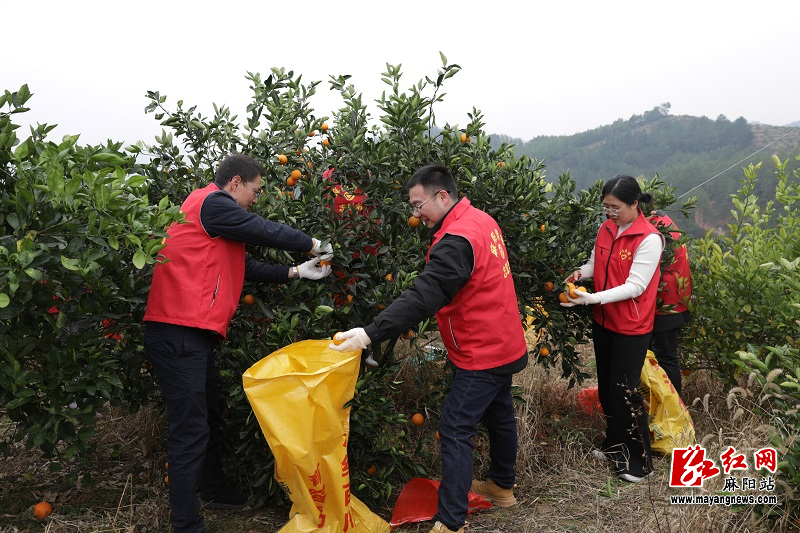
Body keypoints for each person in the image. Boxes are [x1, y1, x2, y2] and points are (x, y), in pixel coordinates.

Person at [330, 164, 528, 533]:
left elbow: (425, 294)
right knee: (500, 413)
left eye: (418, 205)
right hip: (503, 340)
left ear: (443, 196)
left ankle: (451, 521)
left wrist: (371, 333)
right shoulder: (479, 219)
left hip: (482, 349)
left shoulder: (457, 239)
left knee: (455, 427)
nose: (415, 213)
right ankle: (502, 487)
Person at [142, 153, 333, 533]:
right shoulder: (212, 203)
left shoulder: (213, 219)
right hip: (178, 331)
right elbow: (261, 229)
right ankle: (186, 525)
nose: (256, 199)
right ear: (235, 184)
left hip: (192, 333)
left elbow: (239, 265)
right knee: (190, 428)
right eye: (256, 191)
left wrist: (296, 272)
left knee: (208, 416)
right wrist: (312, 243)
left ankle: (214, 491)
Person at [561, 175, 664, 483]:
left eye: (616, 207)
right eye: (606, 206)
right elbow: (596, 264)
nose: (610, 213)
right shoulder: (606, 228)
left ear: (635, 204)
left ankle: (640, 462)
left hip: (631, 326)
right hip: (604, 321)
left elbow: (636, 286)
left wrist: (592, 298)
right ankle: (615, 446)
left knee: (625, 392)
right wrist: (580, 274)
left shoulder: (649, 239)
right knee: (607, 389)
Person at [648, 210, 692, 397]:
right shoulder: (663, 221)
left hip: (666, 304)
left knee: (665, 357)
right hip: (674, 300)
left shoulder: (657, 230)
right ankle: (662, 402)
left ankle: (673, 405)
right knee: (663, 356)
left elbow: (651, 270)